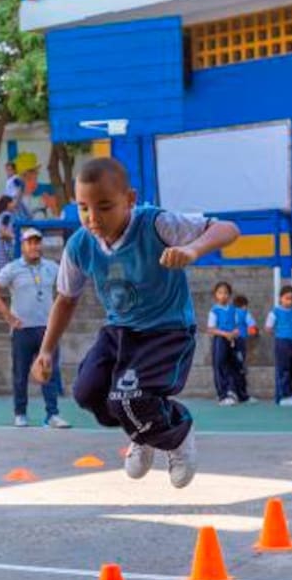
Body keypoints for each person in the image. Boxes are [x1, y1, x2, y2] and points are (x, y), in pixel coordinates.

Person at [31, 157, 240, 489]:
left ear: (130, 199)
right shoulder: (80, 245)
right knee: (87, 393)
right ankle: (143, 431)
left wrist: (192, 249)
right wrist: (46, 350)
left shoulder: (156, 224)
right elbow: (66, 299)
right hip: (120, 331)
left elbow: (229, 229)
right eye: (84, 208)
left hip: (166, 330)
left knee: (128, 399)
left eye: (104, 207)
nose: (93, 218)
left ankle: (178, 431)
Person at [0, 228, 70, 429]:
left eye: (37, 242)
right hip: (22, 330)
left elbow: (66, 289)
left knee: (49, 372)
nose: (34, 246)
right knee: (20, 374)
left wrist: (57, 318)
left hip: (47, 330)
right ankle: (20, 413)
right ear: (22, 246)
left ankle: (52, 414)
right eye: (30, 243)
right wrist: (8, 316)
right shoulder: (13, 268)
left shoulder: (51, 267)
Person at [266, 285, 292, 406]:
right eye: (287, 298)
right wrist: (278, 333)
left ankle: (289, 393)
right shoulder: (275, 311)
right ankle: (283, 396)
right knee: (284, 369)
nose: (289, 301)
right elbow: (268, 327)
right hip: (283, 342)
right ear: (280, 298)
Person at [207, 282, 241, 406]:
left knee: (232, 365)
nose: (223, 295)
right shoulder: (214, 310)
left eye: (226, 293)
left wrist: (234, 333)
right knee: (220, 365)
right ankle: (222, 395)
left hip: (232, 340)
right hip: (220, 340)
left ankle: (232, 391)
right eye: (220, 293)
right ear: (215, 295)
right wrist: (225, 334)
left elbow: (237, 326)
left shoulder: (233, 309)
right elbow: (211, 329)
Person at [232, 294, 258, 404]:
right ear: (244, 305)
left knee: (231, 367)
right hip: (240, 341)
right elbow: (252, 327)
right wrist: (254, 332)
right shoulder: (245, 313)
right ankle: (241, 394)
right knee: (241, 368)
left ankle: (231, 392)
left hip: (228, 341)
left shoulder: (230, 312)